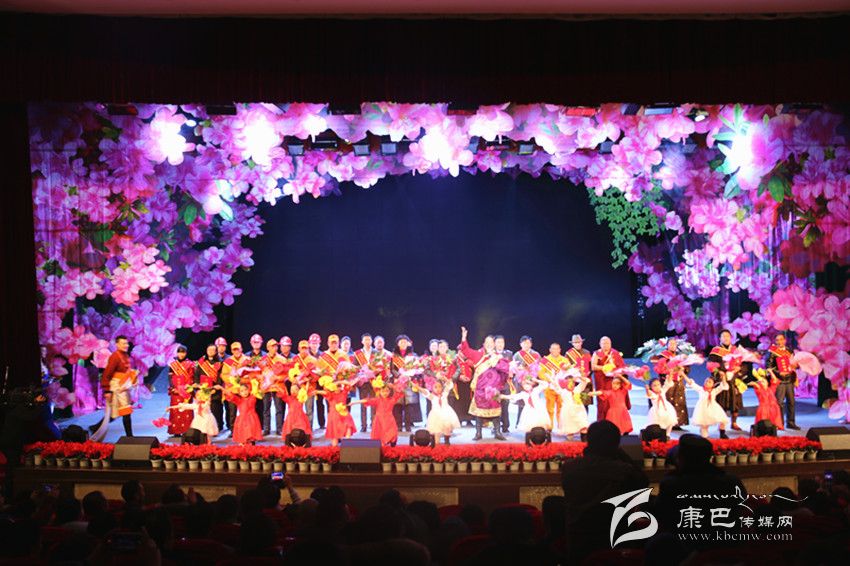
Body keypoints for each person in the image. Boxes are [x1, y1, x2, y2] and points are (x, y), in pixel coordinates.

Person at [560, 421, 649, 561]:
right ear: (616, 444)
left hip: (578, 540)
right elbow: (643, 482)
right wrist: (621, 453)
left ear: (588, 440)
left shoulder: (570, 467)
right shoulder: (624, 471)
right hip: (614, 541)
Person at [458, 326, 509, 441]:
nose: (489, 344)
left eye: (491, 342)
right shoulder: (477, 355)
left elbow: (505, 368)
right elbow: (465, 351)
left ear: (494, 344)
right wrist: (464, 338)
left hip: (494, 389)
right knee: (479, 412)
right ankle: (478, 433)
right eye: (487, 342)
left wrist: (494, 359)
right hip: (480, 389)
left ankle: (497, 432)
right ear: (484, 344)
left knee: (496, 411)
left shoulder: (498, 356)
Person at [98, 335, 137, 437]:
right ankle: (130, 437)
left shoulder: (125, 355)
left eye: (127, 343)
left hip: (124, 387)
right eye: (123, 343)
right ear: (117, 345)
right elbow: (107, 373)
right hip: (117, 387)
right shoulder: (115, 356)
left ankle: (94, 428)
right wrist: (107, 390)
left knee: (115, 413)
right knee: (125, 411)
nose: (126, 345)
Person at [707, 329, 745, 431]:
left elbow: (743, 365)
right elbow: (711, 365)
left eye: (727, 336)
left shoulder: (736, 350)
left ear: (731, 338)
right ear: (720, 339)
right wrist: (719, 372)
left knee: (735, 402)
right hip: (722, 380)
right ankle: (721, 423)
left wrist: (738, 369)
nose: (726, 338)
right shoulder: (716, 351)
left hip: (734, 379)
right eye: (723, 336)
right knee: (722, 403)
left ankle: (734, 422)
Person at [352, 379, 404, 446]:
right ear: (379, 392)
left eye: (387, 391)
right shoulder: (378, 400)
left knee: (393, 432)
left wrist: (393, 386)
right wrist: (354, 402)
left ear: (389, 391)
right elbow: (367, 400)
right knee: (380, 434)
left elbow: (400, 392)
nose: (385, 393)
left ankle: (391, 445)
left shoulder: (392, 399)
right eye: (383, 391)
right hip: (379, 420)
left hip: (389, 419)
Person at [650, 338, 689, 430]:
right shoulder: (662, 356)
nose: (672, 345)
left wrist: (683, 369)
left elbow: (686, 368)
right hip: (667, 381)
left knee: (679, 401)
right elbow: (659, 369)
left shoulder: (680, 355)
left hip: (678, 381)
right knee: (668, 402)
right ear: (667, 345)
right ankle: (666, 423)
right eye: (670, 344)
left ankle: (677, 423)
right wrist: (670, 370)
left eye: (674, 344)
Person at [767, 333, 800, 430]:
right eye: (777, 340)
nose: (779, 342)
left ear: (785, 340)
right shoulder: (772, 352)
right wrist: (778, 373)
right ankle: (779, 423)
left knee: (791, 402)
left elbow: (793, 365)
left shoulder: (789, 351)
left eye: (781, 339)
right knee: (779, 403)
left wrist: (795, 372)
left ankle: (791, 422)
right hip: (780, 381)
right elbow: (769, 367)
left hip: (789, 380)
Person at [590, 336, 627, 422]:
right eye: (604, 343)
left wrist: (614, 370)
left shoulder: (615, 353)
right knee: (602, 401)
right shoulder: (597, 353)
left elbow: (621, 367)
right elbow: (593, 366)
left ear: (610, 344)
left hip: (613, 381)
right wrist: (605, 367)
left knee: (613, 401)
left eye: (607, 343)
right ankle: (601, 421)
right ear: (600, 344)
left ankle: (613, 421)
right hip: (601, 380)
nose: (606, 345)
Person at [390, 334, 422, 432]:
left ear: (408, 343)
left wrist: (410, 375)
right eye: (401, 342)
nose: (403, 343)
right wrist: (399, 376)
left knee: (409, 405)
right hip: (398, 382)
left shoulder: (413, 355)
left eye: (405, 342)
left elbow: (417, 368)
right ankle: (399, 425)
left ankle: (408, 425)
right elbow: (392, 369)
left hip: (409, 382)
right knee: (398, 405)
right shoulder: (394, 356)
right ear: (397, 344)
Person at [316, 376, 357, 446]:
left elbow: (349, 384)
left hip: (344, 414)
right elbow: (323, 392)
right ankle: (334, 450)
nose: (338, 388)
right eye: (336, 387)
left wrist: (339, 382)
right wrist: (316, 391)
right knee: (334, 436)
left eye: (339, 387)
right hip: (334, 416)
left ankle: (347, 446)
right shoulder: (330, 394)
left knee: (348, 426)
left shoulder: (344, 393)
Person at [261, 339, 289, 436]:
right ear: (268, 347)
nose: (274, 348)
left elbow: (286, 374)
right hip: (267, 387)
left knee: (279, 408)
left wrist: (278, 378)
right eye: (272, 346)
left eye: (276, 346)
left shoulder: (282, 359)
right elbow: (260, 372)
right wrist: (263, 378)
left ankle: (279, 428)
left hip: (278, 386)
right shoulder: (263, 359)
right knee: (266, 408)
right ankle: (266, 428)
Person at [538, 342, 569, 429]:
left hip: (561, 388)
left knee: (561, 408)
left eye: (557, 349)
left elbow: (568, 374)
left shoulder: (565, 360)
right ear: (550, 350)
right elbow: (540, 373)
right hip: (549, 387)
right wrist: (550, 380)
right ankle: (549, 427)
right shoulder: (545, 360)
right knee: (550, 409)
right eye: (553, 349)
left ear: (560, 350)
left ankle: (561, 426)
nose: (555, 350)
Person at [552, 375, 592, 440]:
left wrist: (579, 377)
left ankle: (584, 440)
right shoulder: (563, 391)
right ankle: (570, 441)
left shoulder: (577, 389)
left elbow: (587, 380)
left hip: (579, 410)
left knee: (583, 425)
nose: (571, 384)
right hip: (568, 412)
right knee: (570, 430)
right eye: (569, 383)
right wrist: (552, 378)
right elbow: (555, 385)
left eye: (573, 382)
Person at [419, 379, 460, 444]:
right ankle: (436, 442)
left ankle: (447, 440)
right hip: (436, 414)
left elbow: (449, 385)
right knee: (436, 429)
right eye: (435, 387)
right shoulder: (432, 396)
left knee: (447, 426)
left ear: (442, 387)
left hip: (446, 412)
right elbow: (424, 392)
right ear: (432, 388)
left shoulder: (444, 394)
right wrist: (418, 387)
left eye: (439, 387)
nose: (438, 389)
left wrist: (444, 378)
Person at [511, 335, 540, 427]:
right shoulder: (517, 355)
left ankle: (533, 423)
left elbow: (539, 368)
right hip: (520, 382)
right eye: (524, 343)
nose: (526, 345)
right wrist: (520, 369)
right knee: (521, 403)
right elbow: (513, 368)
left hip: (531, 381)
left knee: (532, 402)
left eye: (528, 343)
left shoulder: (536, 354)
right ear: (520, 344)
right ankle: (519, 422)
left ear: (531, 344)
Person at [221, 341, 249, 434]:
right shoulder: (228, 361)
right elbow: (223, 375)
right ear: (232, 351)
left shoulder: (247, 360)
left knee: (246, 411)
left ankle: (246, 429)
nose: (236, 351)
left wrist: (242, 380)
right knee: (232, 412)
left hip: (244, 390)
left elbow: (252, 374)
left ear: (241, 349)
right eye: (234, 350)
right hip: (232, 390)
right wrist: (232, 379)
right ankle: (233, 430)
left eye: (238, 349)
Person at [167, 345, 195, 437]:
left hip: (185, 391)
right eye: (179, 352)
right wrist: (173, 388)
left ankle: (187, 431)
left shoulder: (190, 364)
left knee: (186, 410)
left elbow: (191, 377)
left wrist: (186, 388)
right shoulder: (173, 364)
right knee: (176, 410)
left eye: (183, 352)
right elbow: (170, 377)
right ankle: (176, 431)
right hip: (175, 391)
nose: (181, 354)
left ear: (186, 353)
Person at [351, 333, 376, 433]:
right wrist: (361, 372)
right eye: (365, 340)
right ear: (362, 341)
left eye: (369, 340)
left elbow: (380, 366)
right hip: (363, 382)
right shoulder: (357, 353)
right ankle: (363, 425)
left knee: (373, 403)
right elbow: (354, 367)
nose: (367, 341)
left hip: (374, 381)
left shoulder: (376, 352)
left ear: (372, 341)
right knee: (363, 403)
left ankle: (373, 424)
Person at [195, 343, 224, 430]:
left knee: (216, 409)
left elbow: (220, 377)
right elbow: (197, 375)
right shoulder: (201, 363)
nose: (210, 351)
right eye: (209, 350)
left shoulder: (219, 363)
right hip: (203, 390)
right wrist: (198, 386)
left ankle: (217, 427)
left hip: (215, 391)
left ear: (216, 352)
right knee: (204, 410)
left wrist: (215, 388)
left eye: (213, 350)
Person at [564, 334, 592, 413]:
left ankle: (585, 419)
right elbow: (566, 368)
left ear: (581, 342)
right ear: (572, 344)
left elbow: (591, 367)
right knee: (573, 402)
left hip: (585, 381)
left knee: (585, 402)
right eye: (575, 343)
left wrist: (587, 374)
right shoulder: (568, 354)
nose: (577, 344)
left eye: (579, 342)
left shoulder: (587, 352)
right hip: (574, 382)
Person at [493, 335, 514, 434]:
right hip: (494, 384)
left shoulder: (509, 353)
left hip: (505, 384)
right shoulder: (491, 354)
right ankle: (496, 427)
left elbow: (512, 367)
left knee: (505, 406)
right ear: (494, 343)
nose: (500, 344)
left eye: (502, 342)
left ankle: (505, 426)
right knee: (495, 406)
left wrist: (511, 372)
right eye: (498, 342)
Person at [307, 333, 325, 429]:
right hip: (309, 382)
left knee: (320, 403)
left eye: (316, 343)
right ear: (309, 344)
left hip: (320, 383)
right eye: (312, 343)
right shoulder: (306, 355)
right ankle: (309, 425)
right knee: (309, 404)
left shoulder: (323, 355)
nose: (314, 345)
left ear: (319, 344)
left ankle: (322, 424)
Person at [247, 333, 266, 421]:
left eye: (258, 342)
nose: (256, 344)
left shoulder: (265, 356)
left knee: (262, 406)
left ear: (261, 343)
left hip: (262, 384)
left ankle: (261, 425)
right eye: (254, 342)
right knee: (250, 406)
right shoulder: (246, 356)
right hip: (250, 385)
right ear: (251, 343)